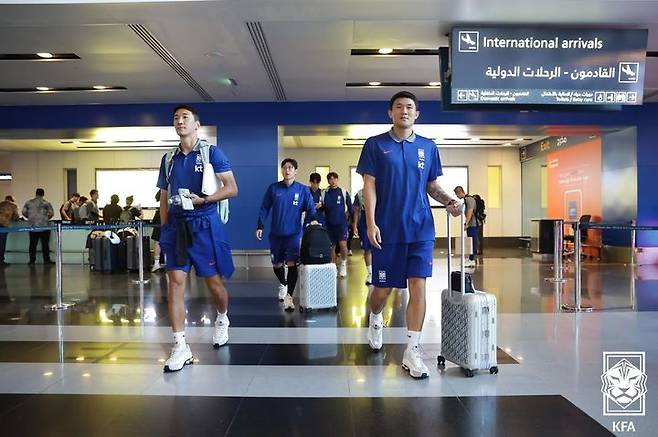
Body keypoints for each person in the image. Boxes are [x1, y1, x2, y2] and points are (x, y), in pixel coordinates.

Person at [357, 91, 462, 379]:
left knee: (418, 285)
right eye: (399, 107)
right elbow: (370, 186)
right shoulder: (375, 145)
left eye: (410, 107)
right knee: (383, 291)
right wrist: (370, 222)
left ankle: (412, 351)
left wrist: (449, 202)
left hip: (420, 229)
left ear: (417, 114)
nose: (404, 111)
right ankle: (375, 317)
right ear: (390, 113)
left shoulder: (428, 147)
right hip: (387, 229)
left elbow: (432, 186)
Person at [156, 104, 238, 373]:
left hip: (205, 224)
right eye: (176, 118)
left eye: (185, 118)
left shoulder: (212, 153)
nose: (179, 122)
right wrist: (163, 230)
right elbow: (164, 198)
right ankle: (180, 346)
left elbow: (231, 188)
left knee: (214, 285)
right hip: (177, 227)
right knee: (175, 282)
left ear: (196, 125)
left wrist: (205, 199)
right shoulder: (168, 159)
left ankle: (223, 318)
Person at [256, 158, 317, 310]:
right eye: (285, 168)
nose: (287, 170)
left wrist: (313, 220)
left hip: (294, 235)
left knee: (291, 264)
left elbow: (311, 208)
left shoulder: (303, 190)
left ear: (295, 171)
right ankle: (283, 284)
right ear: (282, 170)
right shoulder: (274, 189)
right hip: (276, 235)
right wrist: (260, 226)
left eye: (290, 168)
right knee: (276, 265)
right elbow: (264, 208)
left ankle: (289, 297)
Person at [322, 172, 352, 278]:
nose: (332, 180)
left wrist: (352, 223)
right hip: (329, 224)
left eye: (334, 178)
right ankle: (333, 267)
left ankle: (343, 264)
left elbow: (351, 207)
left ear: (337, 179)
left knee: (343, 245)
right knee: (331, 247)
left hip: (342, 224)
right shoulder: (324, 193)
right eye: (330, 179)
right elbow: (322, 207)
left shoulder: (343, 192)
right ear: (328, 181)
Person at [22, 188, 55, 265]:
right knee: (45, 245)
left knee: (33, 244)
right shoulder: (46, 203)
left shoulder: (28, 203)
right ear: (43, 194)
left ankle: (32, 260)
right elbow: (51, 213)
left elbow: (23, 212)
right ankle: (46, 260)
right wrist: (45, 219)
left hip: (32, 226)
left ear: (36, 193)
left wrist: (30, 218)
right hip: (44, 226)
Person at [352, 188, 372, 285]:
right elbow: (356, 211)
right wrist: (355, 225)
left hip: (378, 219)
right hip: (364, 222)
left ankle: (380, 271)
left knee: (380, 248)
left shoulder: (380, 189)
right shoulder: (359, 194)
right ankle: (370, 273)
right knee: (366, 249)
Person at [454, 186, 478, 267]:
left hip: (473, 224)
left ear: (460, 192)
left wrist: (466, 223)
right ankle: (470, 258)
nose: (457, 196)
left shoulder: (469, 199)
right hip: (471, 224)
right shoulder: (465, 200)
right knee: (470, 241)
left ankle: (472, 260)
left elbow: (470, 211)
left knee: (473, 241)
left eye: (457, 194)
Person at [0, 195, 20, 267]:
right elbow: (16, 218)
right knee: (2, 243)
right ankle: (1, 261)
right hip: (3, 225)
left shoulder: (1, 203)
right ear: (12, 200)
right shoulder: (13, 206)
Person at [151, 191, 165, 272]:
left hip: (159, 221)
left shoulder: (158, 210)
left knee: (157, 242)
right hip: (169, 217)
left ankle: (156, 263)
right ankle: (168, 262)